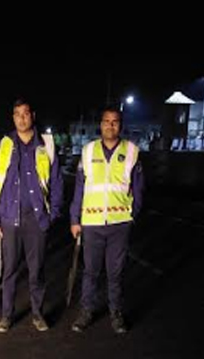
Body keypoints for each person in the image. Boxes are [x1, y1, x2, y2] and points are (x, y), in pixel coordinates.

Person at [0, 98, 63, 333]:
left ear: (33, 116)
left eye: (25, 113)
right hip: (10, 219)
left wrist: (52, 215)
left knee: (36, 270)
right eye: (17, 114)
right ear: (13, 118)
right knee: (9, 271)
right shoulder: (5, 144)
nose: (22, 118)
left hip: (36, 220)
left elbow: (57, 181)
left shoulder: (46, 144)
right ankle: (7, 316)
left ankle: (38, 314)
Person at [69, 106, 144, 334]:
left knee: (115, 273)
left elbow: (138, 189)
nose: (110, 125)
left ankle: (116, 313)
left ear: (120, 125)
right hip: (92, 223)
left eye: (115, 121)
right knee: (90, 272)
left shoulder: (131, 151)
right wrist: (74, 219)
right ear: (100, 124)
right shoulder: (88, 151)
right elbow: (79, 188)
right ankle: (86, 311)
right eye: (106, 121)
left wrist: (131, 216)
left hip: (119, 224)